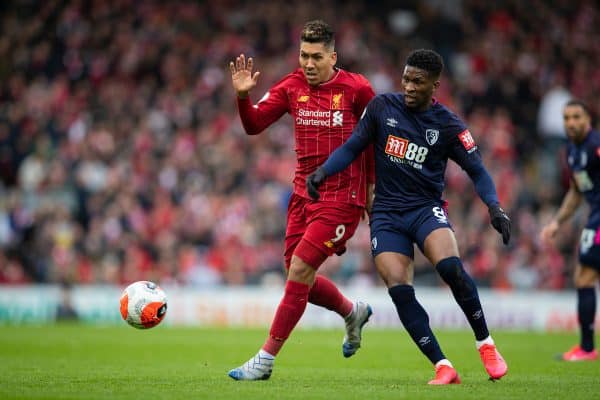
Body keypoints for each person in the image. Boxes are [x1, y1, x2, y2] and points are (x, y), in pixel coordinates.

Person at [306, 49, 511, 384]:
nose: (410, 87)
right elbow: (352, 146)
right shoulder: (382, 107)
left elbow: (478, 171)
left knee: (450, 267)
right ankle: (443, 365)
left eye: (418, 81)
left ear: (435, 85)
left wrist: (494, 207)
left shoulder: (448, 125)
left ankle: (485, 343)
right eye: (406, 79)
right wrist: (322, 172)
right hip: (386, 213)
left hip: (424, 209)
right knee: (399, 288)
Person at [227, 20, 376, 381]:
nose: (308, 63)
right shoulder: (291, 86)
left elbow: (374, 140)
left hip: (343, 197)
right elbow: (254, 125)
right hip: (302, 195)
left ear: (333, 56)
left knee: (299, 271)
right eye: (304, 55)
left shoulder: (357, 89)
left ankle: (265, 359)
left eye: (316, 57)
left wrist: (371, 192)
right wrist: (243, 96)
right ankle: (351, 311)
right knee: (299, 281)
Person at [540, 100, 599, 362]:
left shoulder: (595, 146)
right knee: (584, 277)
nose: (571, 122)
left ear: (588, 119)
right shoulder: (571, 152)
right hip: (594, 215)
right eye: (566, 118)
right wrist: (556, 222)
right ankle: (586, 348)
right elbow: (576, 192)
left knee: (585, 276)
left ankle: (587, 349)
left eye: (576, 116)